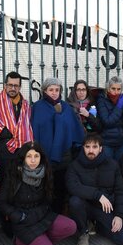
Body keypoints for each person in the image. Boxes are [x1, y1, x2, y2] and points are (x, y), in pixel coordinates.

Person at [0, 141, 76, 245]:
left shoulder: (46, 172)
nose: (33, 160)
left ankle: (41, 239)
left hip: (42, 215)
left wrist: (41, 212)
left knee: (70, 226)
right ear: (23, 158)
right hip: (23, 221)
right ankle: (21, 242)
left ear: (41, 157)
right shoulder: (14, 175)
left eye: (36, 156)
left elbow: (48, 199)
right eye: (29, 156)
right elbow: (2, 202)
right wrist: (18, 216)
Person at [66, 133, 123, 245]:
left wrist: (119, 215)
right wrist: (98, 195)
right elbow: (73, 187)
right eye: (87, 146)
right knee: (74, 201)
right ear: (83, 148)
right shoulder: (74, 166)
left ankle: (97, 225)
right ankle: (83, 231)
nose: (91, 150)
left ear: (101, 148)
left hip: (104, 209)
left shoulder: (112, 165)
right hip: (85, 206)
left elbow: (120, 191)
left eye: (94, 147)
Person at [31, 77, 85, 213]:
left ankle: (59, 218)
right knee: (45, 189)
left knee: (61, 189)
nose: (54, 93)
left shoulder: (65, 107)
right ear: (44, 91)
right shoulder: (37, 107)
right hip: (44, 155)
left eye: (57, 90)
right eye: (51, 90)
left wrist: (59, 114)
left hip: (64, 156)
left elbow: (74, 130)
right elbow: (34, 130)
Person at [0, 71, 33, 185]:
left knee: (22, 180)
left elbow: (27, 126)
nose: (12, 88)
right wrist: (12, 133)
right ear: (5, 85)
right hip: (4, 150)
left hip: (23, 148)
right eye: (10, 85)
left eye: (16, 86)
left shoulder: (26, 105)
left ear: (20, 87)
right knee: (5, 182)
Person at [96, 76, 123, 161]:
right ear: (108, 89)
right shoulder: (102, 99)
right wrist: (119, 106)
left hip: (122, 142)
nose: (116, 92)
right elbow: (107, 121)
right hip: (107, 142)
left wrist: (122, 105)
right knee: (108, 169)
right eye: (113, 88)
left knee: (121, 169)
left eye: (118, 89)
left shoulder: (122, 99)